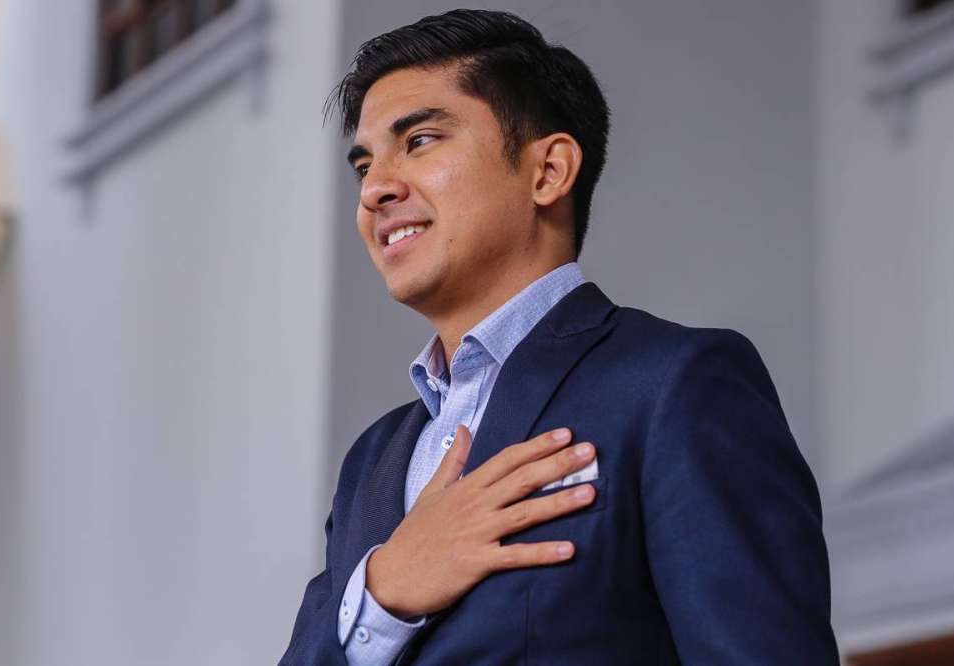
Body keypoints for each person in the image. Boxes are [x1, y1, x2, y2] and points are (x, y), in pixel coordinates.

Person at [279, 8, 839, 665]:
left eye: (421, 140)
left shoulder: (673, 386)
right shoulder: (369, 464)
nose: (375, 189)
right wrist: (384, 592)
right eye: (364, 165)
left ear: (547, 172)